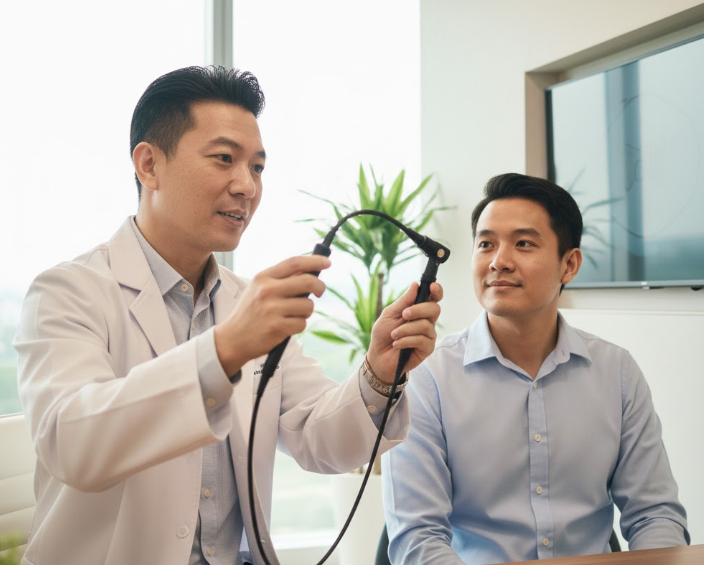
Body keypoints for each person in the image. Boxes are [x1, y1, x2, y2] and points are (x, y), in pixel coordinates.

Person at [13, 65, 443, 565]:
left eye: (257, 167)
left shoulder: (243, 303)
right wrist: (225, 348)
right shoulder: (67, 292)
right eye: (224, 159)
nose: (247, 186)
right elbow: (73, 444)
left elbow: (321, 439)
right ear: (149, 165)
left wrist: (378, 374)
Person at [382, 173, 688, 564]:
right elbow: (418, 538)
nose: (499, 262)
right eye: (486, 244)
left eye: (523, 243)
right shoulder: (426, 377)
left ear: (569, 264)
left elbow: (654, 514)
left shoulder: (617, 371)